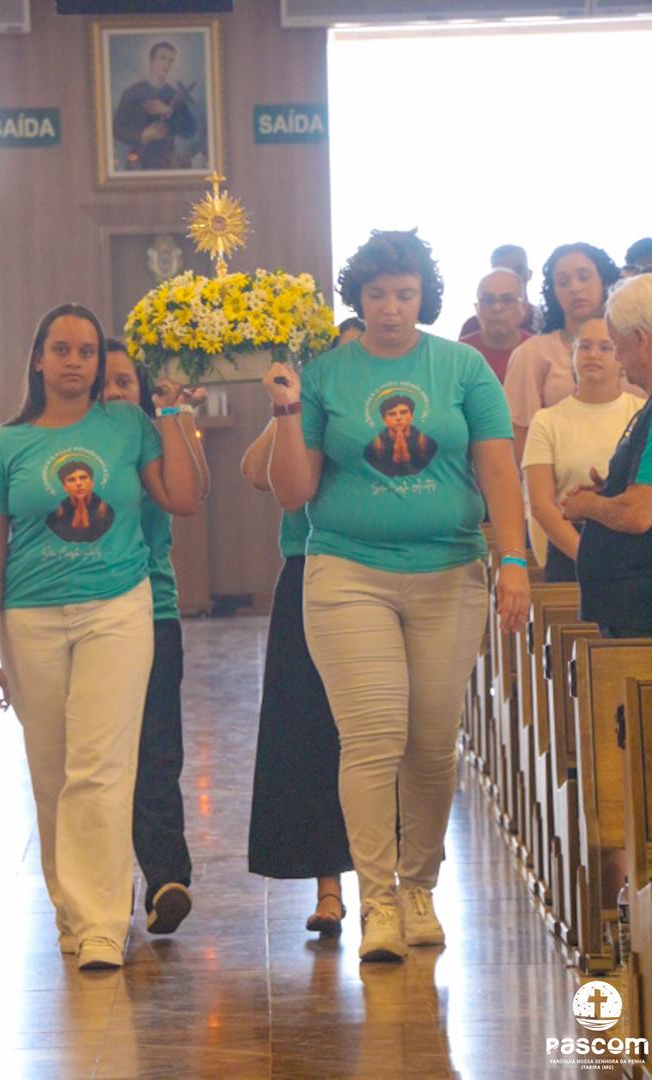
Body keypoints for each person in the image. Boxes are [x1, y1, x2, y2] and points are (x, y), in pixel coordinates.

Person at [263, 230, 530, 962]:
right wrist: (286, 411)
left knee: (432, 743)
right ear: (358, 297)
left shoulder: (462, 368)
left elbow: (499, 472)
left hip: (448, 571)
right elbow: (293, 491)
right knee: (372, 737)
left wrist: (513, 558)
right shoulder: (324, 375)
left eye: (404, 294)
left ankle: (419, 887)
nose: (389, 308)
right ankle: (377, 900)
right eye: (377, 294)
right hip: (348, 572)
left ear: (424, 298)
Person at [0, 304, 202, 971]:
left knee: (100, 768)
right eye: (62, 349)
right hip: (30, 620)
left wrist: (172, 412)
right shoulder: (5, 446)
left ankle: (102, 923)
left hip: (117, 610)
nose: (75, 361)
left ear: (100, 363)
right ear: (39, 360)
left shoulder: (127, 426)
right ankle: (71, 911)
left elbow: (183, 498)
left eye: (87, 351)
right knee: (53, 773)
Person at [242, 322, 359, 937]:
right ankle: (328, 887)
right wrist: (290, 405)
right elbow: (253, 471)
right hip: (307, 569)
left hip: (373, 568)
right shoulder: (301, 409)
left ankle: (396, 885)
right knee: (310, 729)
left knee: (375, 731)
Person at [103, 339, 209, 936]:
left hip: (153, 609)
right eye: (105, 383)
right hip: (90, 612)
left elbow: (196, 490)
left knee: (157, 751)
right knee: (100, 758)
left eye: (125, 382)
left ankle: (166, 878)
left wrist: (177, 415)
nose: (115, 393)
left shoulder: (156, 434)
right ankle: (106, 884)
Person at [562, 275, 652, 637]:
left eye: (616, 345)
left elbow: (638, 513)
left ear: (641, 339)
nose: (617, 359)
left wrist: (587, 505)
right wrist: (612, 489)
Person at [522, 317, 641, 580]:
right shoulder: (546, 420)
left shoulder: (642, 413)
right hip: (568, 549)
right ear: (572, 354)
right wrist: (588, 558)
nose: (593, 354)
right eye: (584, 346)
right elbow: (541, 505)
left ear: (621, 357)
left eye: (605, 347)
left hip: (634, 547)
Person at [504, 242, 624, 464]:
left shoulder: (636, 344)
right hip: (556, 479)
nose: (575, 288)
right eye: (563, 282)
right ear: (553, 292)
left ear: (605, 280)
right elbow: (519, 437)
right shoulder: (533, 352)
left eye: (584, 277)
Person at [113, 41, 198, 171]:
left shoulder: (174, 95)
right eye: (162, 58)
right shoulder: (132, 93)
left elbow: (190, 131)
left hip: (167, 163)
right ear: (151, 60)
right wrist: (143, 135)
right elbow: (118, 129)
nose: (167, 65)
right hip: (137, 161)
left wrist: (169, 111)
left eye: (171, 61)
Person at [460, 268, 530, 383]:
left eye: (507, 300)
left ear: (524, 308)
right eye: (488, 300)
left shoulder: (538, 353)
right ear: (477, 308)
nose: (497, 308)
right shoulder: (461, 354)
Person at [458, 244, 539, 337]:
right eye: (502, 271)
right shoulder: (472, 327)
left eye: (518, 270)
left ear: (529, 274)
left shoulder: (546, 324)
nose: (509, 276)